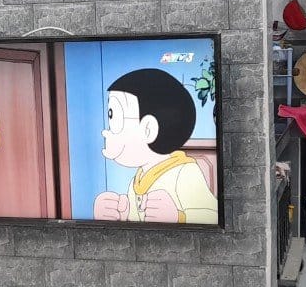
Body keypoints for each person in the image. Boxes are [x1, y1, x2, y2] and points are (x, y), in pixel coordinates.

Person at [92, 68, 218, 225]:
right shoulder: (137, 180)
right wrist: (121, 214)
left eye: (114, 117)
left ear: (148, 129)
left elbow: (212, 214)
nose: (106, 132)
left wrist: (178, 217)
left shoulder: (185, 172)